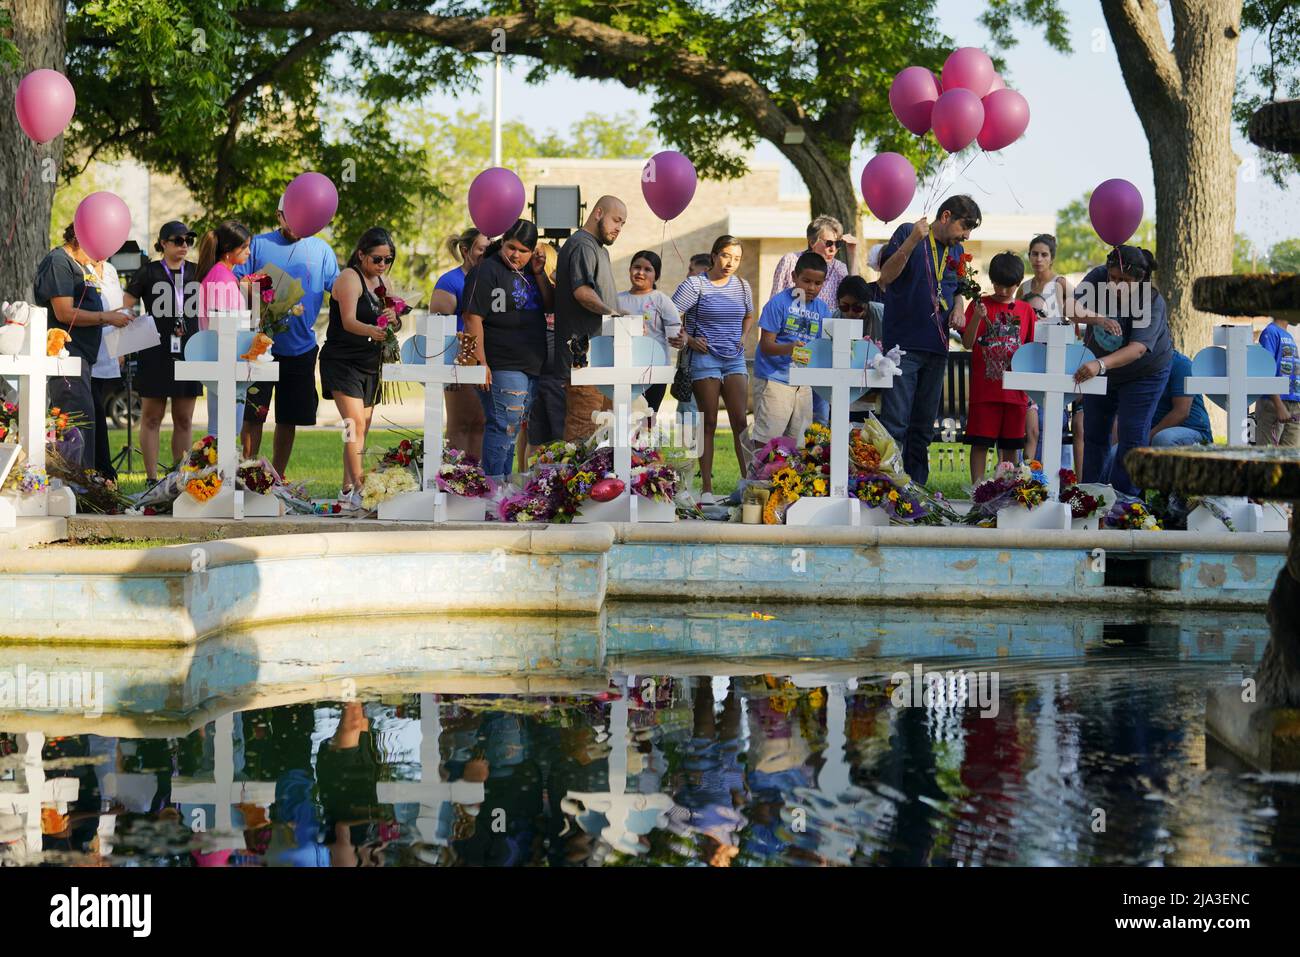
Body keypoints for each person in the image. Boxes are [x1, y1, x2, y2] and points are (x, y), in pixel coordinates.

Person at [877, 195, 982, 486]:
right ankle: (887, 490)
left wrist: (959, 308)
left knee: (923, 429)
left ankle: (916, 492)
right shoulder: (907, 232)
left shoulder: (956, 250)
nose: (966, 235)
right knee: (896, 423)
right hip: (903, 346)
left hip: (937, 347)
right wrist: (911, 242)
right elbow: (885, 277)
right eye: (965, 226)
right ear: (946, 216)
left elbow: (957, 287)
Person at [235, 192, 341, 479]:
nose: (296, 224)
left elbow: (340, 289)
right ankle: (246, 473)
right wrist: (259, 293)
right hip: (259, 345)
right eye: (290, 217)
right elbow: (237, 280)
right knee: (253, 415)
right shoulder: (257, 244)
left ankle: (276, 478)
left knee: (289, 417)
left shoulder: (321, 250)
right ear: (278, 214)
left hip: (301, 349)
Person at [1072, 246, 1172, 497]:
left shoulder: (1150, 301)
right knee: (1093, 432)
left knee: (1132, 437)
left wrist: (1100, 364)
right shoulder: (1098, 276)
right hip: (1101, 369)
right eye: (1113, 278)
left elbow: (1137, 349)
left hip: (1144, 373)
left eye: (1124, 281)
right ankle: (1090, 499)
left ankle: (1125, 503)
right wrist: (1097, 319)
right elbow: (1068, 307)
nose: (1115, 285)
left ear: (1140, 280)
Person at [32, 225, 132, 468]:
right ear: (79, 238)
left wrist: (118, 316)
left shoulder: (82, 266)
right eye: (95, 249)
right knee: (76, 424)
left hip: (83, 359)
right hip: (66, 356)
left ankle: (86, 484)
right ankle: (76, 487)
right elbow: (64, 312)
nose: (98, 258)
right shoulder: (59, 262)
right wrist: (107, 317)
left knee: (87, 421)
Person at [463, 219, 553, 478]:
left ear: (532, 251)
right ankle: (492, 491)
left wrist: (538, 273)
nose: (515, 254)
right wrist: (481, 362)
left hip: (531, 364)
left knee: (512, 431)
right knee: (503, 426)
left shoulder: (530, 273)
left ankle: (502, 490)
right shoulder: (486, 271)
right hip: (502, 361)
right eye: (511, 247)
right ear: (502, 243)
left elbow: (549, 306)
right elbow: (472, 317)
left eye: (523, 250)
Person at [672, 235, 754, 505]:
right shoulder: (696, 284)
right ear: (714, 255)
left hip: (735, 359)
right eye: (726, 256)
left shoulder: (742, 286)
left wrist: (742, 337)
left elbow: (749, 315)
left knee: (740, 423)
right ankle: (706, 489)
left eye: (737, 258)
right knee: (707, 422)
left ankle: (748, 485)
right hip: (704, 360)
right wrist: (690, 340)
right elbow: (670, 314)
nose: (731, 263)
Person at [320, 228, 397, 510]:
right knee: (353, 425)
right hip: (342, 360)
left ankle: (347, 488)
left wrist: (392, 318)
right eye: (377, 259)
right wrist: (373, 330)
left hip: (369, 362)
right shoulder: (349, 278)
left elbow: (393, 321)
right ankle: (362, 489)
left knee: (361, 428)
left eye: (388, 259)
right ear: (361, 254)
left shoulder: (382, 280)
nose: (382, 265)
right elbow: (350, 320)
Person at [122, 222, 202, 480]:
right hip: (154, 351)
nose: (184, 246)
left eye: (188, 241)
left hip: (189, 350)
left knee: (184, 418)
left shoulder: (197, 271)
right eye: (178, 241)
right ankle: (151, 477)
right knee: (152, 416)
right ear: (163, 243)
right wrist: (125, 344)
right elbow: (127, 307)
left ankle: (180, 477)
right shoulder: (149, 272)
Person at [955, 252, 1037, 483]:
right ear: (992, 281)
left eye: (1008, 287)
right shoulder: (979, 305)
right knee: (980, 443)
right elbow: (968, 343)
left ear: (1018, 283)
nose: (1002, 291)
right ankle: (978, 490)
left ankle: (1006, 489)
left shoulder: (1026, 311)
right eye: (998, 285)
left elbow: (1030, 350)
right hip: (985, 391)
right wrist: (976, 319)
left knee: (1010, 447)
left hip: (1016, 394)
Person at [771, 216, 858, 427]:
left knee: (819, 415)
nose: (833, 249)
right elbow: (775, 300)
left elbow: (855, 293)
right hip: (790, 346)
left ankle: (818, 459)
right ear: (812, 242)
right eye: (829, 243)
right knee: (786, 418)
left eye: (837, 244)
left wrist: (853, 255)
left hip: (821, 348)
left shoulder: (838, 268)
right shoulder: (791, 260)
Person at [554, 195, 627, 443]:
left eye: (623, 224)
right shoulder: (583, 244)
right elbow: (582, 292)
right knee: (583, 435)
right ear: (598, 213)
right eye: (616, 220)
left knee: (601, 435)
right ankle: (576, 483)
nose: (619, 228)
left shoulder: (599, 249)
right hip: (582, 360)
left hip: (601, 360)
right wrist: (612, 312)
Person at [752, 251, 830, 449]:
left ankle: (785, 479)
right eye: (806, 281)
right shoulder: (779, 304)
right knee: (767, 440)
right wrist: (790, 348)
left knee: (797, 443)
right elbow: (766, 345)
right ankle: (758, 479)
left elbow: (824, 346)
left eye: (817, 283)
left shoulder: (823, 310)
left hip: (803, 383)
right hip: (774, 380)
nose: (811, 287)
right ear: (794, 277)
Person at [1020, 234, 1081, 470]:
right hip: (1031, 353)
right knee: (1034, 418)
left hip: (1056, 353)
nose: (1038, 259)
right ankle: (1027, 474)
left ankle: (1058, 471)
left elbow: (1077, 314)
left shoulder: (1060, 283)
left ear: (1052, 258)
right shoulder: (1024, 287)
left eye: (1044, 254)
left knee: (1052, 414)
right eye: (1034, 254)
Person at [431, 227, 489, 459]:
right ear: (466, 250)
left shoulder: (490, 280)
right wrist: (450, 371)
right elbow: (439, 330)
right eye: (481, 250)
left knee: (481, 424)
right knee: (460, 424)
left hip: (484, 359)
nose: (485, 256)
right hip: (459, 360)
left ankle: (478, 480)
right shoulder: (450, 282)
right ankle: (455, 476)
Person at [196, 220, 253, 435]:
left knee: (223, 429)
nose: (248, 252)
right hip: (225, 360)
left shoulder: (223, 275)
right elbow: (222, 326)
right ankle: (218, 469)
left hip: (223, 360)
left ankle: (219, 468)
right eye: (244, 247)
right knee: (225, 430)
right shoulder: (221, 278)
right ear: (228, 250)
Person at [616, 249, 685, 416]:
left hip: (655, 371)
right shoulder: (617, 299)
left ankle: (646, 443)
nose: (640, 272)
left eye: (648, 269)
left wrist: (681, 340)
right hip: (624, 369)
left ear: (656, 275)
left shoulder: (661, 300)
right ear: (630, 269)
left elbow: (676, 333)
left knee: (647, 419)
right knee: (623, 417)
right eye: (636, 267)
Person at [523, 242, 566, 468]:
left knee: (559, 437)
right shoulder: (528, 287)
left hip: (557, 375)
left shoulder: (562, 291)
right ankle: (532, 486)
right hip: (536, 372)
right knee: (535, 436)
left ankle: (551, 485)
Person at [88, 255, 124, 480]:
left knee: (99, 406)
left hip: (107, 350)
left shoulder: (110, 270)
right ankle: (103, 470)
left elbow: (118, 310)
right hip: (87, 348)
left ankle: (103, 471)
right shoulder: (79, 267)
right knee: (95, 411)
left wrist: (120, 348)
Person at [1256, 313, 1300, 447]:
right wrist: (1278, 405)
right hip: (1274, 404)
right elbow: (1265, 371)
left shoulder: (1289, 336)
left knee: (1290, 459)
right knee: (1268, 456)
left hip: (1294, 405)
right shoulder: (1271, 332)